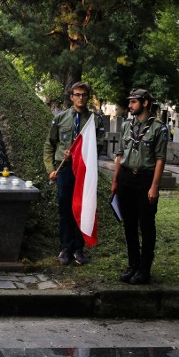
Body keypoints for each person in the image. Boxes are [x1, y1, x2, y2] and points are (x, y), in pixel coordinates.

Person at [43, 81, 106, 266]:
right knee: (65, 209)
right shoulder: (60, 118)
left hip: (84, 170)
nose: (81, 98)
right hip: (64, 169)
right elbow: (49, 145)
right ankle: (65, 247)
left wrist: (80, 153)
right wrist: (50, 170)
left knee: (83, 207)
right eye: (77, 95)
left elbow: (98, 146)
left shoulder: (95, 121)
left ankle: (79, 249)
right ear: (71, 97)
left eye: (84, 95)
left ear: (88, 97)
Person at [111, 89, 168, 285]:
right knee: (129, 224)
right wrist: (115, 180)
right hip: (126, 178)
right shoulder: (127, 125)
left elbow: (160, 160)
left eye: (134, 102)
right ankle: (132, 264)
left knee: (146, 224)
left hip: (145, 179)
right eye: (130, 102)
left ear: (144, 103)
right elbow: (120, 154)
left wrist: (154, 187)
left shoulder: (159, 129)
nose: (130, 105)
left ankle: (144, 269)